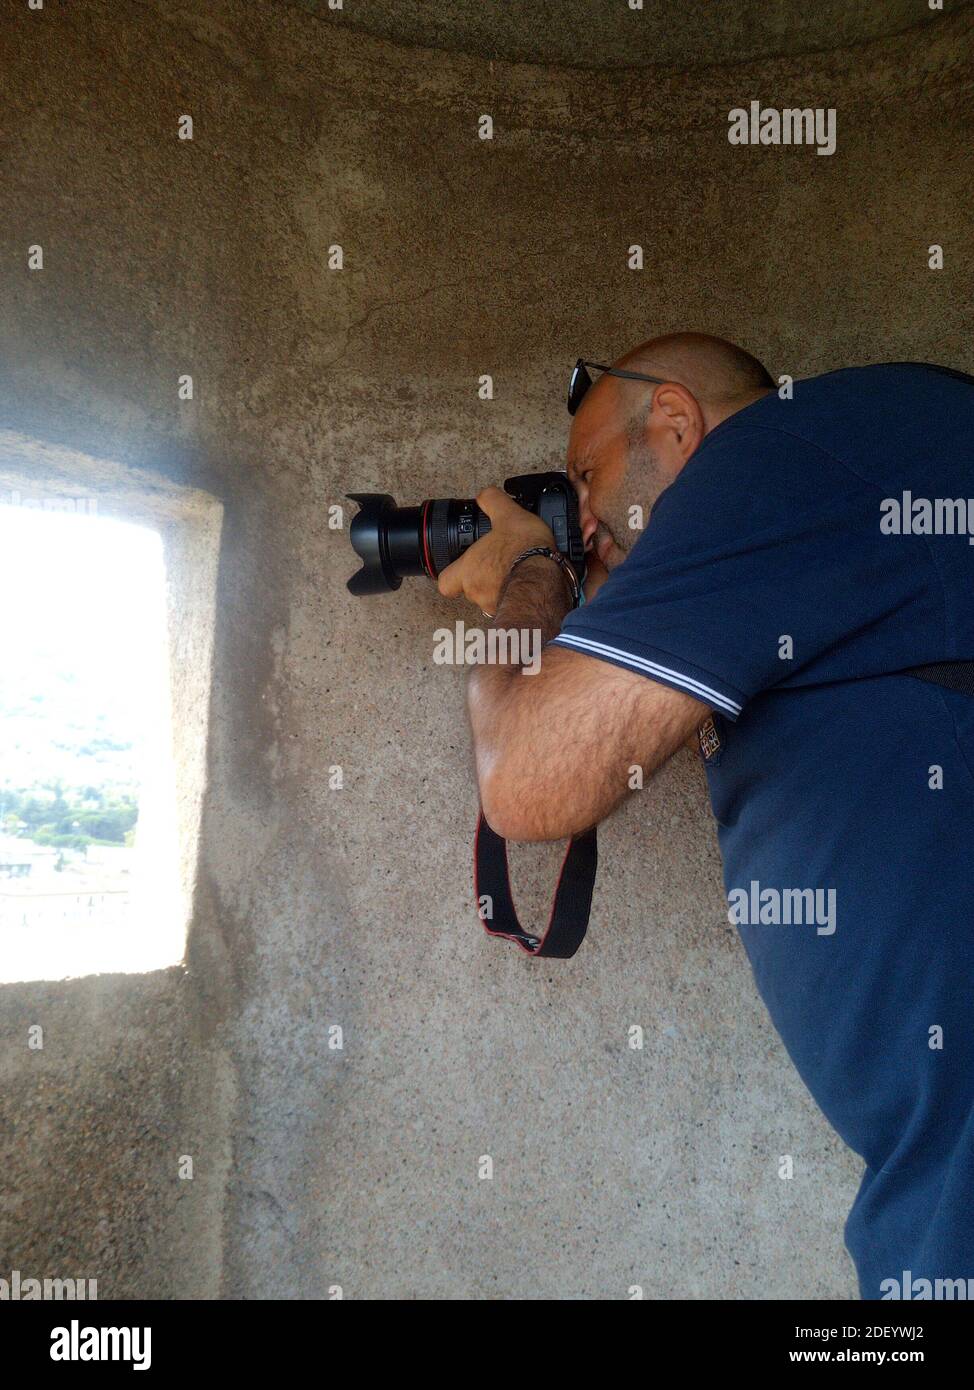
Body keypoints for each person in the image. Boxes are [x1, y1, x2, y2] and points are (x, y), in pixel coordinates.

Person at [435, 333, 974, 1299]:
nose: (582, 518)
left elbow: (524, 778)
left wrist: (530, 574)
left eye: (585, 477)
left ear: (677, 423)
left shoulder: (775, 457)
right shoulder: (848, 472)